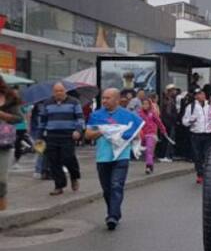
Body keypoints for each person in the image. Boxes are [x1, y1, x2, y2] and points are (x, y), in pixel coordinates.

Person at [84, 88, 141, 230]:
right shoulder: (96, 115)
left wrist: (127, 136)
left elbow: (138, 132)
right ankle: (113, 211)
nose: (104, 101)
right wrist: (101, 131)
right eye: (103, 98)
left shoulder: (127, 115)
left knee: (116, 185)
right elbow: (88, 135)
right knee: (107, 189)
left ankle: (112, 216)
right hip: (103, 157)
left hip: (121, 156)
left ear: (117, 100)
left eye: (108, 98)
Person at [37, 82, 84, 196]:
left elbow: (80, 119)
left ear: (65, 91)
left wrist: (78, 130)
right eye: (56, 91)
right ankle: (59, 186)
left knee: (68, 158)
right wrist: (40, 136)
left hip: (68, 135)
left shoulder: (74, 102)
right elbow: (43, 120)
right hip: (52, 135)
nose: (59, 93)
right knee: (54, 161)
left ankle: (74, 177)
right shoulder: (47, 103)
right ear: (53, 92)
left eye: (61, 90)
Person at [182, 88, 211, 183]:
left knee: (207, 155)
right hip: (196, 134)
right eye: (198, 94)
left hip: (208, 134)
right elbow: (184, 121)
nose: (200, 96)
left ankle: (207, 173)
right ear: (195, 96)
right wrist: (191, 120)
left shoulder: (210, 105)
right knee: (197, 156)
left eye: (201, 93)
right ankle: (200, 174)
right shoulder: (191, 107)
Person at [0, 76, 22, 211]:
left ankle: (1, 213)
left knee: (1, 180)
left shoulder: (9, 98)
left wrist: (3, 115)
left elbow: (18, 118)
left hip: (2, 144)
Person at [138, 97, 168, 174]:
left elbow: (158, 122)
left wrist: (163, 130)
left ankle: (148, 166)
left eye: (146, 104)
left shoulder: (152, 113)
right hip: (142, 134)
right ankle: (150, 163)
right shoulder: (139, 113)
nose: (145, 105)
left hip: (151, 133)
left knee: (149, 149)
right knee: (145, 151)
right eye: (143, 104)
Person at [159, 86, 178, 162]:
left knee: (168, 139)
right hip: (169, 123)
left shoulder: (169, 100)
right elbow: (168, 113)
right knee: (169, 139)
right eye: (174, 90)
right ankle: (167, 155)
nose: (175, 92)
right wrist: (175, 117)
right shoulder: (169, 101)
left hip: (168, 122)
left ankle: (168, 155)